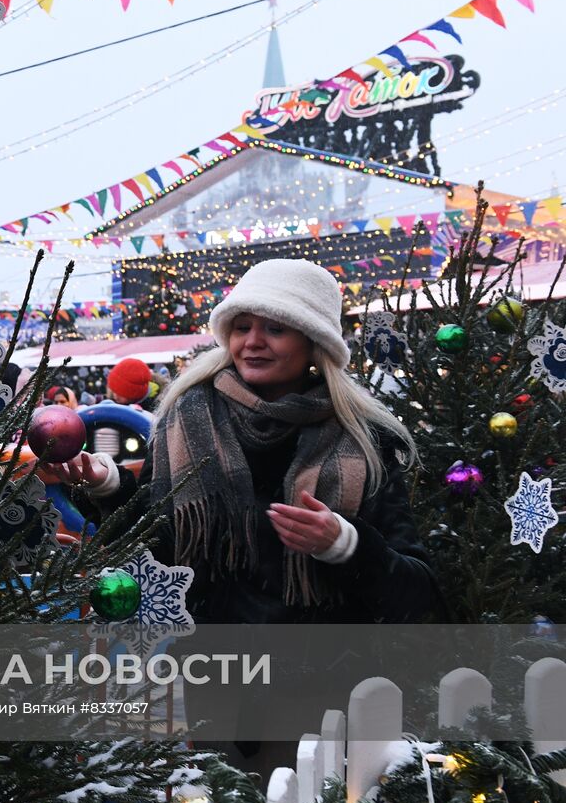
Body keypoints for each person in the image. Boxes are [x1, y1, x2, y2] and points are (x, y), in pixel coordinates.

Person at [48, 259, 441, 625]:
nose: (253, 341)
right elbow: (161, 553)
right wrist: (110, 486)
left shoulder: (364, 438)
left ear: (313, 343)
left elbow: (417, 594)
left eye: (275, 328)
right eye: (242, 327)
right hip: (222, 673)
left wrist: (345, 545)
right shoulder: (184, 421)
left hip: (329, 674)